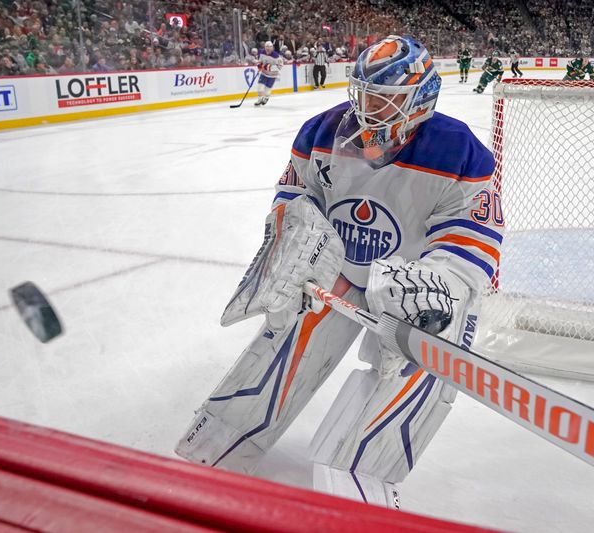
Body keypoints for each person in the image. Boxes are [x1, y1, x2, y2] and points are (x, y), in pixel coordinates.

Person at [176, 35, 502, 508]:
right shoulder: (321, 132)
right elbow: (294, 197)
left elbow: (472, 238)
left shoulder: (461, 151)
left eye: (385, 101)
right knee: (289, 333)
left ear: (422, 99)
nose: (370, 111)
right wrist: (294, 246)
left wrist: (438, 283)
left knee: (425, 350)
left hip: (410, 282)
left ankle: (367, 477)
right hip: (341, 271)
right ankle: (224, 437)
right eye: (365, 95)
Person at [254, 41, 283, 106]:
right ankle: (259, 100)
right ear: (264, 47)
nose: (268, 48)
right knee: (259, 88)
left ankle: (266, 97)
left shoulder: (276, 56)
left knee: (267, 90)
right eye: (266, 46)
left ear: (272, 48)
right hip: (264, 74)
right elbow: (260, 61)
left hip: (272, 75)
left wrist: (269, 67)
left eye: (270, 47)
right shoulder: (262, 53)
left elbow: (280, 66)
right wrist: (259, 65)